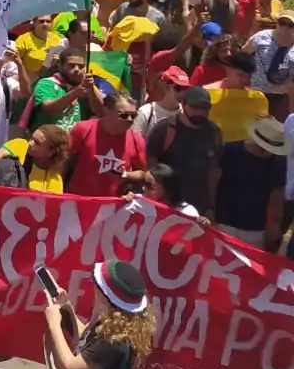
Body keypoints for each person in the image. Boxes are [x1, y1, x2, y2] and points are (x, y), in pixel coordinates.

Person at [45, 260, 155, 369]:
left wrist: (54, 324)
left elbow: (71, 368)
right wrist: (66, 309)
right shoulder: (114, 324)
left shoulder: (113, 342)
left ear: (103, 294)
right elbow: (86, 341)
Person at [144, 86, 221, 217]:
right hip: (166, 207)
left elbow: (213, 172)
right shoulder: (164, 129)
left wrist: (210, 207)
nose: (200, 112)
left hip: (198, 209)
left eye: (204, 108)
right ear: (183, 104)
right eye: (195, 107)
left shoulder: (214, 133)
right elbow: (151, 170)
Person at [213, 116, 288, 249]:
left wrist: (275, 223)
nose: (269, 153)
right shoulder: (230, 151)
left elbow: (277, 192)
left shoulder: (278, 162)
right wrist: (210, 209)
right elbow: (213, 181)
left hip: (255, 229)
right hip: (224, 223)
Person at [65, 92, 150, 197]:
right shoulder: (83, 129)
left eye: (133, 116)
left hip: (112, 206)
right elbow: (62, 160)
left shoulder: (136, 140)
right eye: (123, 115)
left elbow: (144, 173)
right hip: (78, 201)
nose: (129, 120)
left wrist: (128, 176)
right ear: (106, 110)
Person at [0, 123, 71, 193]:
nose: (30, 143)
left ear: (51, 152)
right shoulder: (20, 145)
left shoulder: (54, 179)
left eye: (37, 143)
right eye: (31, 138)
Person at [24, 47, 102, 132]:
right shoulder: (46, 83)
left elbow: (101, 112)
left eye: (81, 66)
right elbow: (49, 108)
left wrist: (91, 87)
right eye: (71, 65)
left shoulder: (87, 87)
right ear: (60, 65)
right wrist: (74, 94)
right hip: (47, 141)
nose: (77, 70)